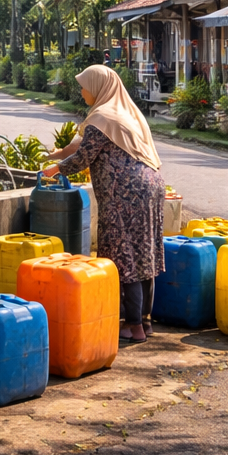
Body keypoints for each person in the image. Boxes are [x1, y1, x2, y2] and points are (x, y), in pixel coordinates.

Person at [42, 65, 166, 343]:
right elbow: (80, 143)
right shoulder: (124, 113)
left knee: (125, 255)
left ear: (98, 87)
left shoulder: (101, 116)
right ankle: (145, 323)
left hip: (125, 193)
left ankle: (132, 325)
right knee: (143, 252)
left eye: (84, 87)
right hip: (151, 187)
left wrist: (56, 169)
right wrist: (56, 155)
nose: (82, 92)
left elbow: (82, 157)